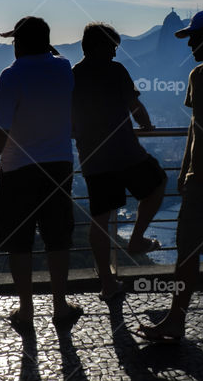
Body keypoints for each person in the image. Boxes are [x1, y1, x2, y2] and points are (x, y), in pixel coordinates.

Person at [135, 9, 203, 342]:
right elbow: (196, 126)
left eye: (195, 38)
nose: (190, 46)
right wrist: (185, 170)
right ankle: (176, 319)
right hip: (199, 179)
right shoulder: (197, 76)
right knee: (186, 253)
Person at [0, 16, 82, 334]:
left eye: (15, 42)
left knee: (20, 242)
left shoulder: (11, 76)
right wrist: (38, 43)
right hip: (59, 165)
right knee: (57, 237)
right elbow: (52, 54)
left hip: (17, 168)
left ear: (19, 44)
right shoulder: (64, 68)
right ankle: (60, 306)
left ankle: (26, 311)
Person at [71, 22, 166, 301]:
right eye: (112, 46)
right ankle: (137, 238)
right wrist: (147, 125)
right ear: (100, 46)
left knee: (100, 219)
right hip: (126, 152)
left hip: (93, 157)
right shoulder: (116, 71)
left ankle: (107, 283)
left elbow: (69, 118)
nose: (115, 52)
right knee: (158, 183)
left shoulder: (73, 75)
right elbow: (135, 106)